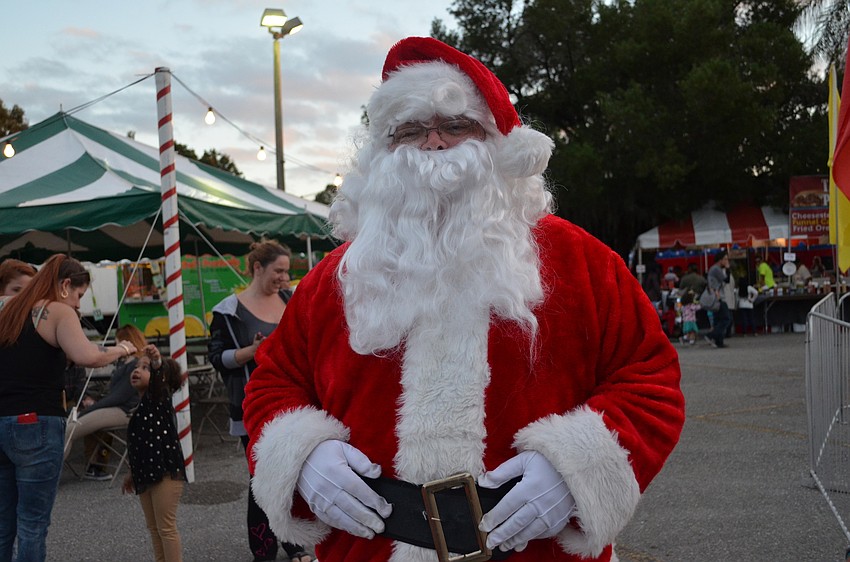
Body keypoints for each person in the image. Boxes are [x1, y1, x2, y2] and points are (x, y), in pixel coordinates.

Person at [242, 36, 685, 562]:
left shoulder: (581, 262)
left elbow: (649, 379)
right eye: (410, 131)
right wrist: (302, 455)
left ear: (498, 143)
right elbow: (274, 383)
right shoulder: (334, 279)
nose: (433, 144)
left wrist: (578, 470)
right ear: (382, 154)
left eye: (455, 126)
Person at [0, 254, 138, 562]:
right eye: (78, 295)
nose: (78, 305)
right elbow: (87, 355)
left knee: (3, 524)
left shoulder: (5, 307)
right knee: (32, 525)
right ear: (64, 285)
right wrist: (122, 349)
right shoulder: (56, 311)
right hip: (36, 422)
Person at [208, 240, 312, 562]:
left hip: (295, 404)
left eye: (286, 271)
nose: (284, 277)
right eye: (278, 271)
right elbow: (216, 357)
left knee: (294, 475)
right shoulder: (229, 310)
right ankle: (263, 550)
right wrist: (249, 353)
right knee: (263, 477)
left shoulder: (291, 299)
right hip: (253, 407)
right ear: (257, 268)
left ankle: (294, 543)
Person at [121, 349, 186, 562]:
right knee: (154, 528)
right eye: (137, 366)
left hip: (165, 473)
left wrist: (157, 363)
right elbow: (138, 445)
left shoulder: (158, 399)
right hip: (145, 473)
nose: (137, 371)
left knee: (166, 528)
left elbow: (158, 382)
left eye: (145, 368)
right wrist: (132, 472)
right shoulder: (140, 407)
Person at [63, 324, 148, 480]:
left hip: (124, 411)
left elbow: (118, 397)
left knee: (70, 430)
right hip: (120, 408)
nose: (116, 347)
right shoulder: (127, 364)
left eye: (117, 343)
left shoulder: (134, 365)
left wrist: (90, 409)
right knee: (73, 426)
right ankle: (94, 466)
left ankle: (51, 471)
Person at [704, 250, 733, 348]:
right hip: (718, 297)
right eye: (725, 259)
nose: (726, 261)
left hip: (716, 297)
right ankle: (710, 335)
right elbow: (726, 280)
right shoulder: (716, 269)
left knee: (718, 320)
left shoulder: (714, 269)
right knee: (726, 318)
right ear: (720, 260)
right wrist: (728, 269)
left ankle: (718, 341)